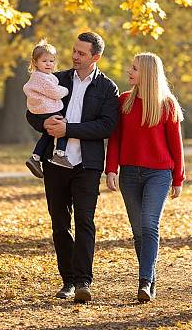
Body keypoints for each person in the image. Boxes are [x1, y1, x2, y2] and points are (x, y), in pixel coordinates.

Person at [26, 32, 119, 303]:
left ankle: (83, 282)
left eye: (81, 53)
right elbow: (32, 111)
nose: (74, 56)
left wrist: (70, 129)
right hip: (55, 163)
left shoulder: (107, 88)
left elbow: (106, 126)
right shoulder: (56, 79)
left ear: (95, 57)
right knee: (59, 223)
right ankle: (67, 282)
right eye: (74, 51)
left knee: (85, 222)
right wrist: (43, 124)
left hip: (87, 165)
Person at [105, 52, 185, 302]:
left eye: (134, 68)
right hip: (129, 174)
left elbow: (176, 145)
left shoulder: (167, 104)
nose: (129, 71)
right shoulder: (124, 101)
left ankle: (145, 282)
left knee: (149, 226)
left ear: (148, 74)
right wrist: (111, 169)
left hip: (158, 175)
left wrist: (178, 178)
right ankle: (149, 276)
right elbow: (115, 139)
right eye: (131, 67)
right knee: (138, 231)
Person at [23, 39, 73, 179]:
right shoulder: (41, 78)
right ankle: (60, 153)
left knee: (48, 133)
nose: (49, 64)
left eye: (51, 61)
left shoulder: (43, 77)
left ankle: (35, 157)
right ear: (35, 63)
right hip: (47, 109)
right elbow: (55, 93)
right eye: (44, 61)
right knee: (63, 126)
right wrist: (66, 90)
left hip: (41, 110)